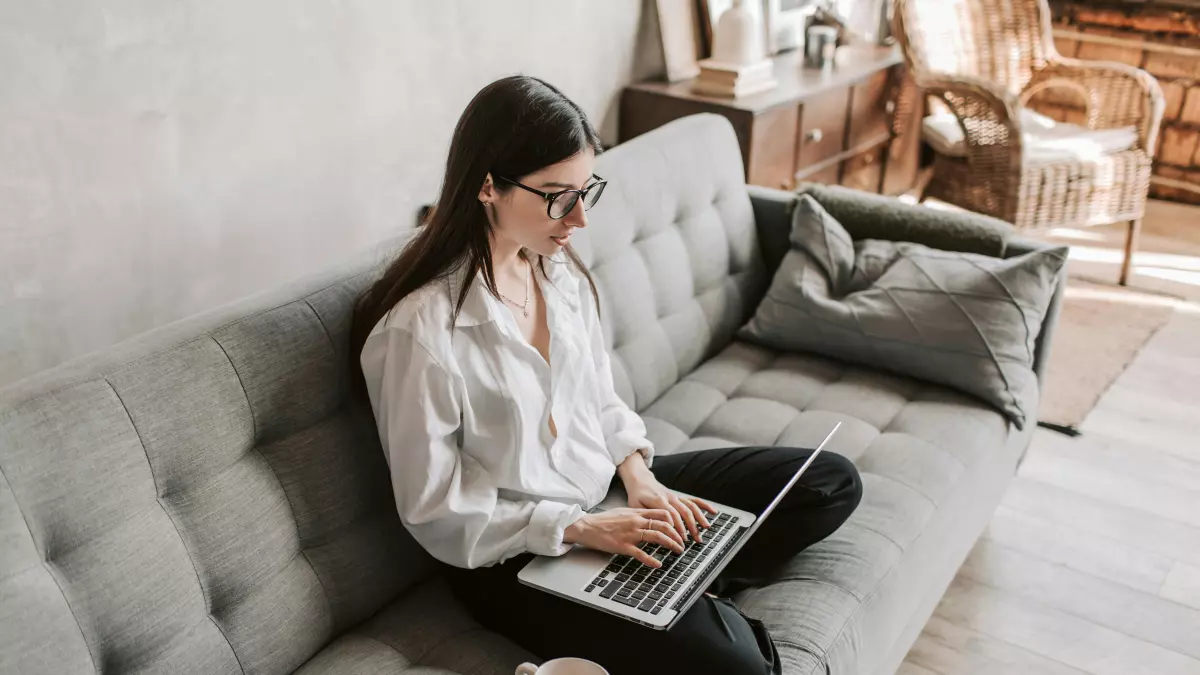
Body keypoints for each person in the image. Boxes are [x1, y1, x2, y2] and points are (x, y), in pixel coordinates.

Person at [350, 75, 862, 675]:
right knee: (740, 669)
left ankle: (679, 579)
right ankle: (679, 593)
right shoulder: (421, 333)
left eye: (584, 191)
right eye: (556, 196)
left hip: (609, 494)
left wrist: (641, 478)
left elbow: (600, 397)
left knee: (828, 483)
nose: (578, 220)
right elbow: (436, 508)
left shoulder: (554, 269)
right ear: (487, 185)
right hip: (517, 556)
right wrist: (582, 528)